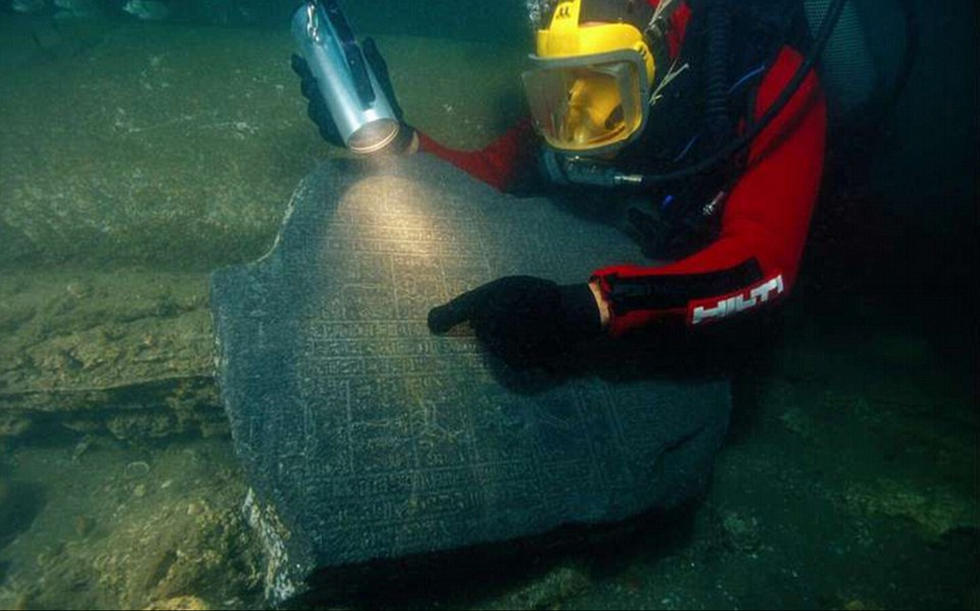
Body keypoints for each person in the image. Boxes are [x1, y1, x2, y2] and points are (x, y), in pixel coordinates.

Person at [292, 0, 827, 367]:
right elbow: (493, 172)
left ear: (655, 62)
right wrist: (397, 142)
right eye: (560, 85)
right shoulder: (574, 81)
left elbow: (766, 262)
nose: (575, 118)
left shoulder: (769, 80)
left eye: (600, 84)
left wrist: (595, 306)